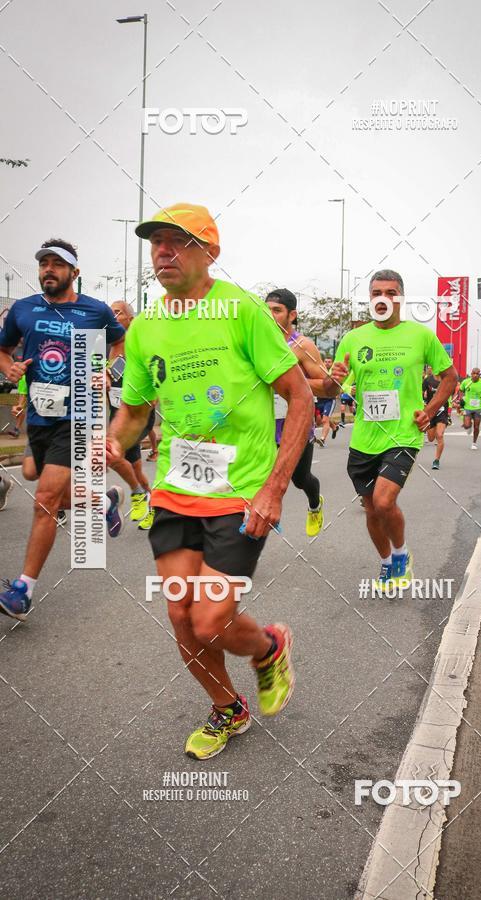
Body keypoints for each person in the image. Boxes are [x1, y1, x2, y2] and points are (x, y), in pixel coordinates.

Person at [107, 203, 313, 760]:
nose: (163, 252)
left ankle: (268, 646)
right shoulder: (147, 325)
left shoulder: (242, 311)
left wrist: (273, 489)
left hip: (240, 489)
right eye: (156, 243)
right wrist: (113, 439)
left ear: (210, 252)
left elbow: (302, 398)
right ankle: (229, 708)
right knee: (181, 613)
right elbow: (135, 409)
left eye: (177, 242)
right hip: (177, 489)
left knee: (211, 617)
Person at [0, 239, 126, 620]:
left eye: (58, 264)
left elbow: (122, 343)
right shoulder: (23, 309)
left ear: (75, 272)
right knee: (33, 474)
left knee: (45, 502)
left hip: (79, 416)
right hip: (39, 415)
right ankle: (103, 502)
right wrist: (8, 368)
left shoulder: (96, 310)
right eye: (44, 264)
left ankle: (23, 590)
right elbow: (3, 351)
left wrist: (109, 373)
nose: (48, 270)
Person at [328, 269, 457, 587]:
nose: (383, 299)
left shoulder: (420, 336)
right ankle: (386, 562)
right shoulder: (354, 339)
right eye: (376, 293)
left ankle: (400, 554)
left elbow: (450, 378)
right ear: (369, 298)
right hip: (364, 437)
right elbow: (332, 387)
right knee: (372, 510)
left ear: (401, 298)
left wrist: (428, 411)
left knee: (385, 502)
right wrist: (333, 378)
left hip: (402, 434)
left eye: (390, 293)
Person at [266, 288, 331, 536]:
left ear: (292, 315)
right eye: (267, 310)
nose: (270, 315)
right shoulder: (258, 342)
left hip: (296, 421)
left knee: (300, 479)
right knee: (257, 476)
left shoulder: (302, 345)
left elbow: (325, 386)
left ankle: (315, 503)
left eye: (277, 310)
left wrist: (291, 385)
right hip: (265, 422)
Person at [108, 300, 156, 529]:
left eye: (117, 313)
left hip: (139, 414)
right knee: (135, 470)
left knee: (112, 454)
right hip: (118, 414)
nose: (113, 316)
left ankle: (136, 494)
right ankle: (152, 503)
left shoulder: (141, 342)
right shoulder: (112, 345)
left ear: (129, 318)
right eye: (110, 313)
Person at [10, 375, 67, 525]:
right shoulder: (29, 368)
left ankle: (57, 508)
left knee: (52, 473)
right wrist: (18, 408)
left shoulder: (67, 365)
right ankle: (104, 501)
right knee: (29, 471)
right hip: (38, 428)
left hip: (63, 427)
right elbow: (22, 400)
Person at [422, 368, 450, 470]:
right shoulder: (427, 380)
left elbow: (450, 396)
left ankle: (436, 460)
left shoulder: (446, 380)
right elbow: (421, 393)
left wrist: (450, 412)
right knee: (430, 438)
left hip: (442, 411)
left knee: (439, 435)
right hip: (430, 411)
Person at [459, 367, 481, 449]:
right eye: (473, 373)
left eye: (477, 374)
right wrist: (461, 398)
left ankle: (474, 443)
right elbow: (460, 390)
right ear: (471, 374)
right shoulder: (466, 382)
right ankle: (468, 426)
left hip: (479, 407)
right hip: (468, 406)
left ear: (479, 375)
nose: (475, 375)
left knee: (477, 426)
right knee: (467, 425)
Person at [315, 357, 339, 445]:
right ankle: (334, 427)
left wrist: (337, 392)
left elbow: (341, 384)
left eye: (329, 362)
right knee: (323, 420)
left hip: (329, 400)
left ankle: (322, 439)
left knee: (325, 420)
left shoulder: (334, 373)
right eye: (326, 362)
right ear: (323, 362)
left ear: (332, 363)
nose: (327, 363)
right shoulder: (319, 371)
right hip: (319, 400)